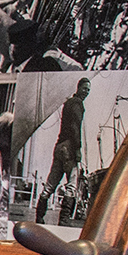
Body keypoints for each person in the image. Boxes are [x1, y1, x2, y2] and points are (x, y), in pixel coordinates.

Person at [37, 77, 90, 223]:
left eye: (88, 90)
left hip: (59, 146)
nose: (87, 92)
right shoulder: (78, 104)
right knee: (72, 186)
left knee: (50, 184)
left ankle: (39, 216)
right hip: (69, 147)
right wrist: (77, 150)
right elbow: (75, 127)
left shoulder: (67, 103)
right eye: (85, 89)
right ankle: (64, 221)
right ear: (78, 88)